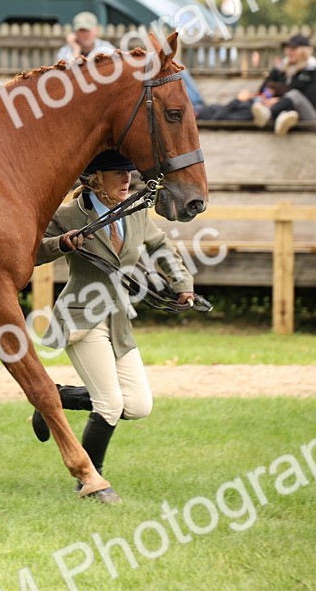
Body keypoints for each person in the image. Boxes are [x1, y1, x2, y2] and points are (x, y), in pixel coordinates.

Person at [29, 150, 194, 482]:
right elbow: (32, 251)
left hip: (118, 320)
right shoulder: (68, 215)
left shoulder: (135, 211)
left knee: (138, 405)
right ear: (96, 179)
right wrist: (62, 244)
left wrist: (182, 283)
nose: (127, 179)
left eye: (129, 173)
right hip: (81, 319)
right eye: (118, 173)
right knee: (109, 404)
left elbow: (160, 246)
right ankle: (90, 479)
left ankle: (55, 396)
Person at [55, 12, 204, 110]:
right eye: (80, 31)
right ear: (75, 33)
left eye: (86, 30)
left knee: (170, 63)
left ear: (96, 30)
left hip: (101, 98)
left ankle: (195, 103)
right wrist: (75, 49)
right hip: (79, 101)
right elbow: (66, 78)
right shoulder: (66, 51)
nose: (84, 35)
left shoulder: (105, 48)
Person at [249, 34, 316, 135]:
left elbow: (310, 99)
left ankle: (268, 114)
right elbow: (264, 89)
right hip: (281, 111)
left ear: (304, 51)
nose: (290, 52)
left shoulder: (314, 71)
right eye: (288, 48)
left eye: (294, 49)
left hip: (305, 115)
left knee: (294, 95)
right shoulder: (279, 69)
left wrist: (279, 101)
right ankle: (280, 119)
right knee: (263, 97)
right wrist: (267, 97)